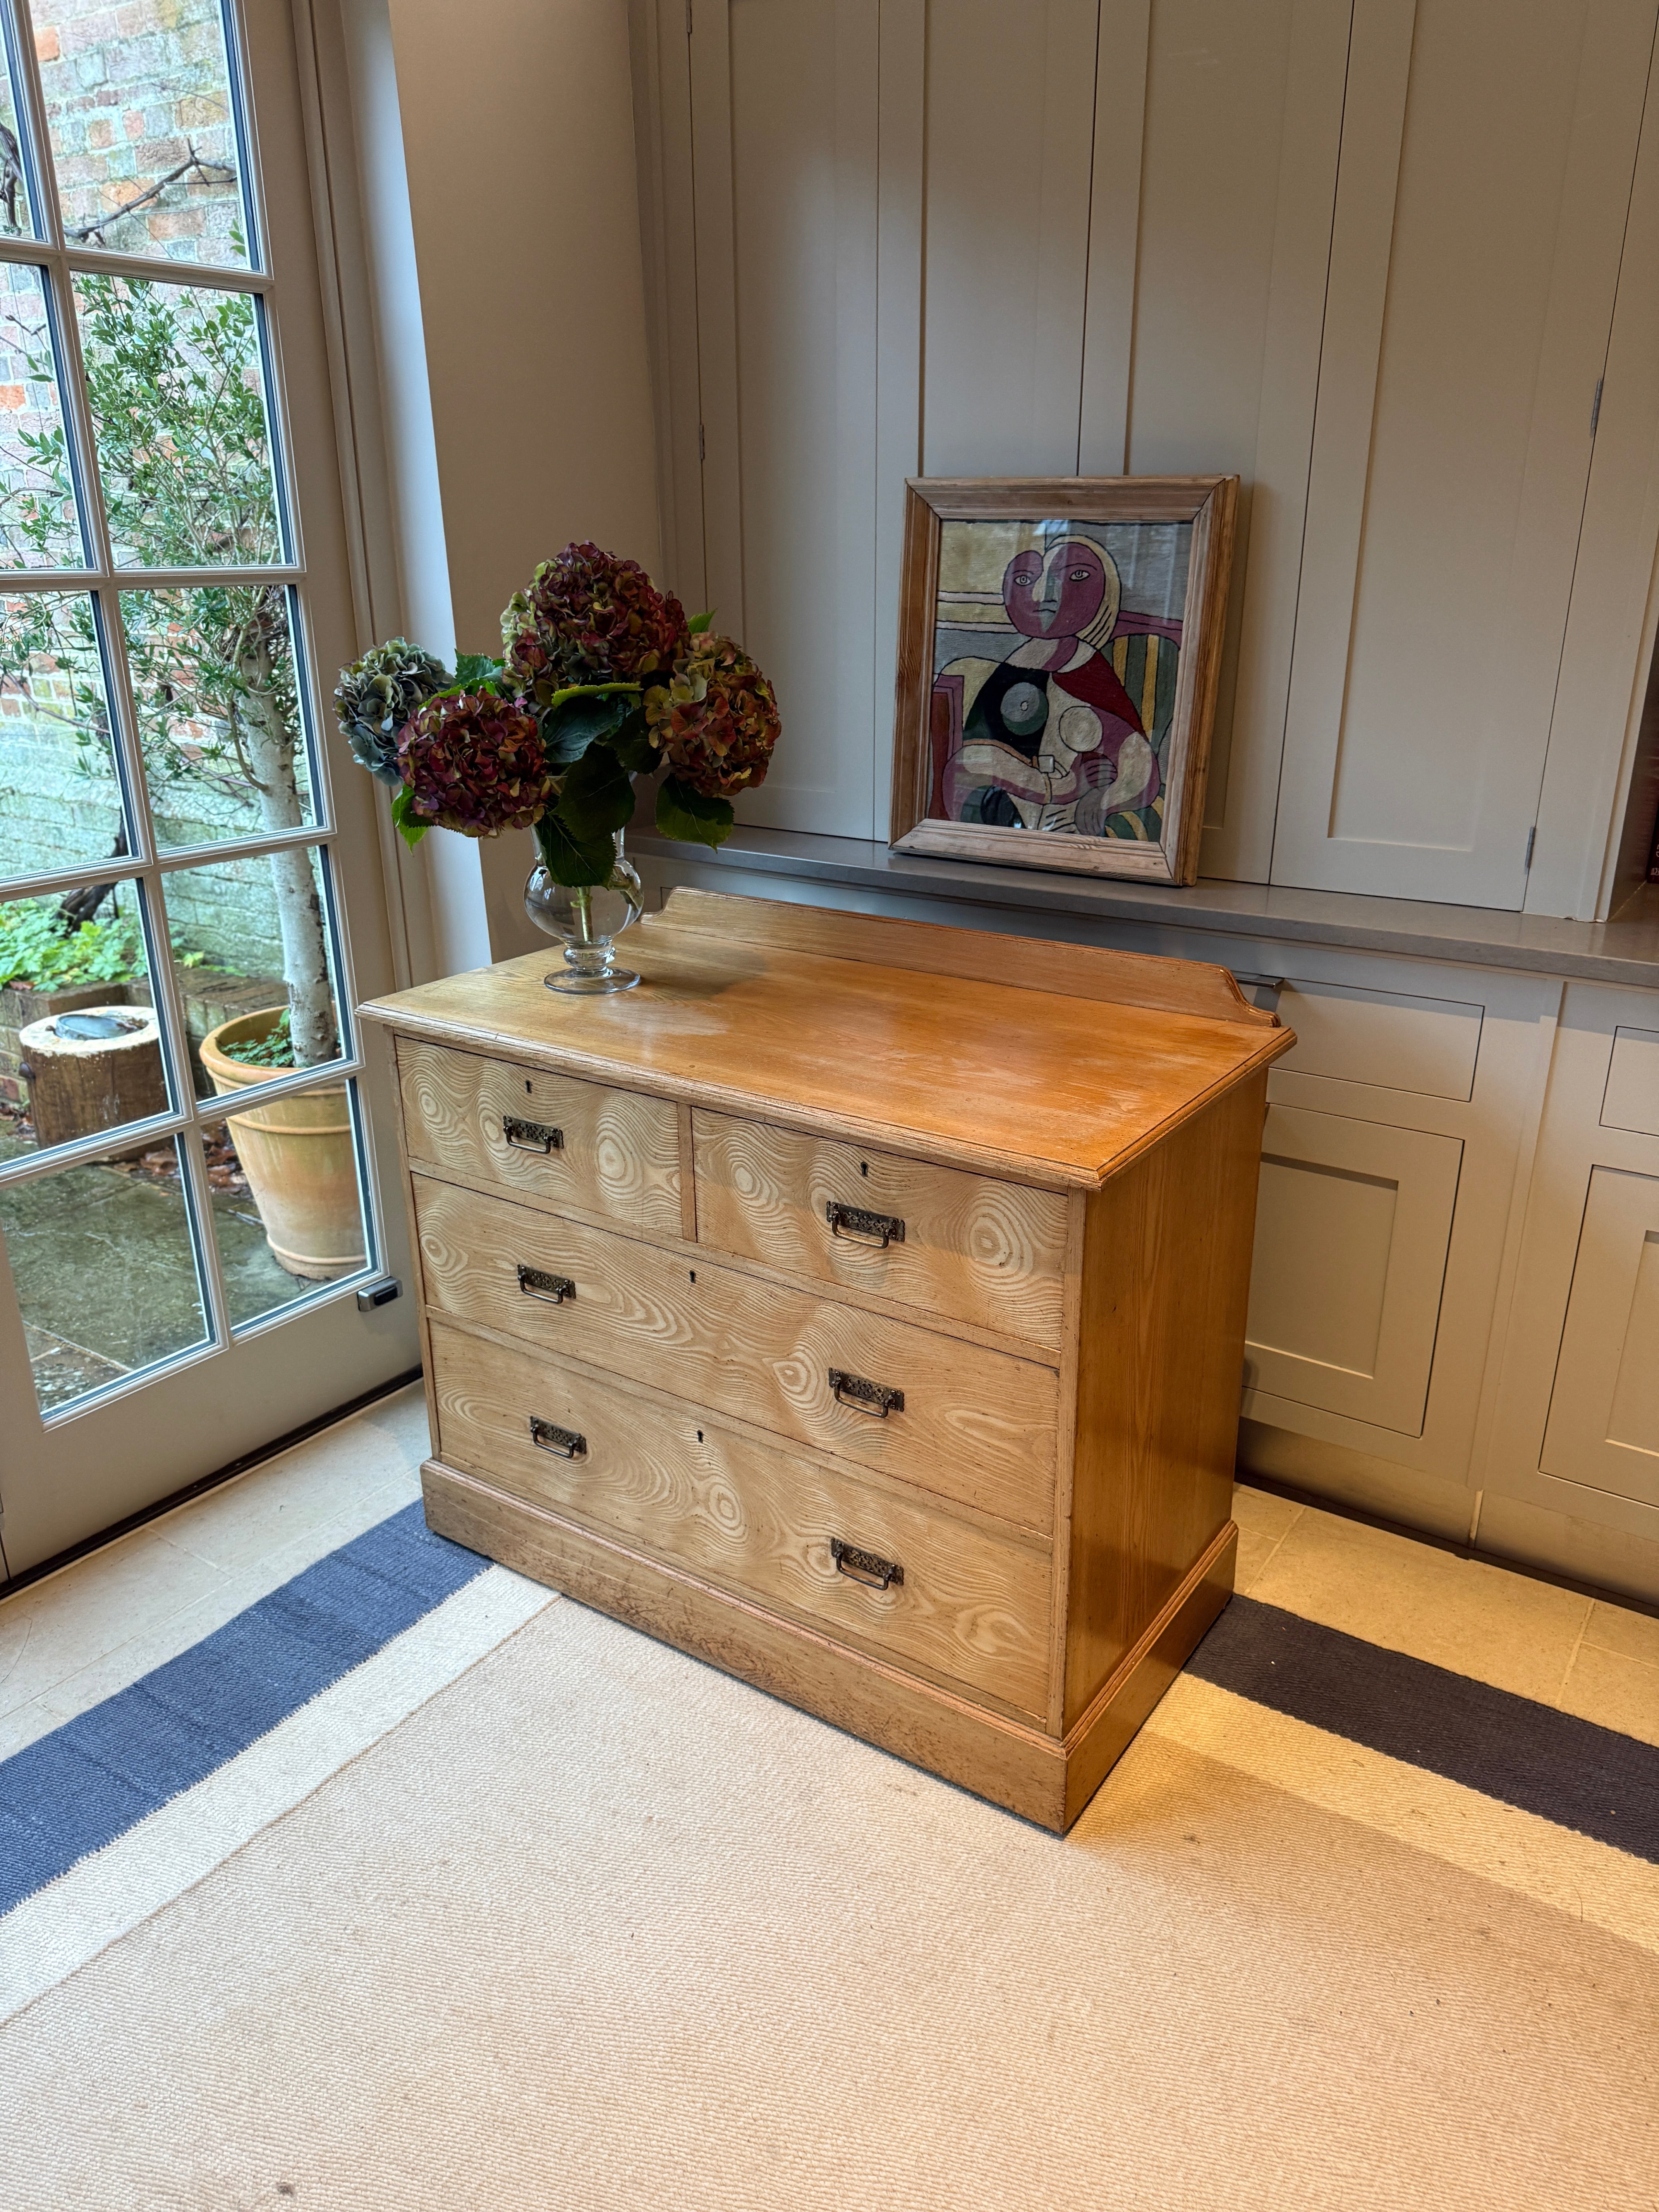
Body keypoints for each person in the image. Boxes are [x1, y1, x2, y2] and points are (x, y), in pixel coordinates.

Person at [931, 532, 1163, 835]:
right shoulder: (1009, 668)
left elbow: (1140, 769)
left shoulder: (1088, 671)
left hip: (1062, 828)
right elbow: (967, 768)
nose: (1043, 595)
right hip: (997, 822)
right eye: (1025, 581)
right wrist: (1062, 785)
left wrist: (1104, 799)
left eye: (1076, 576)